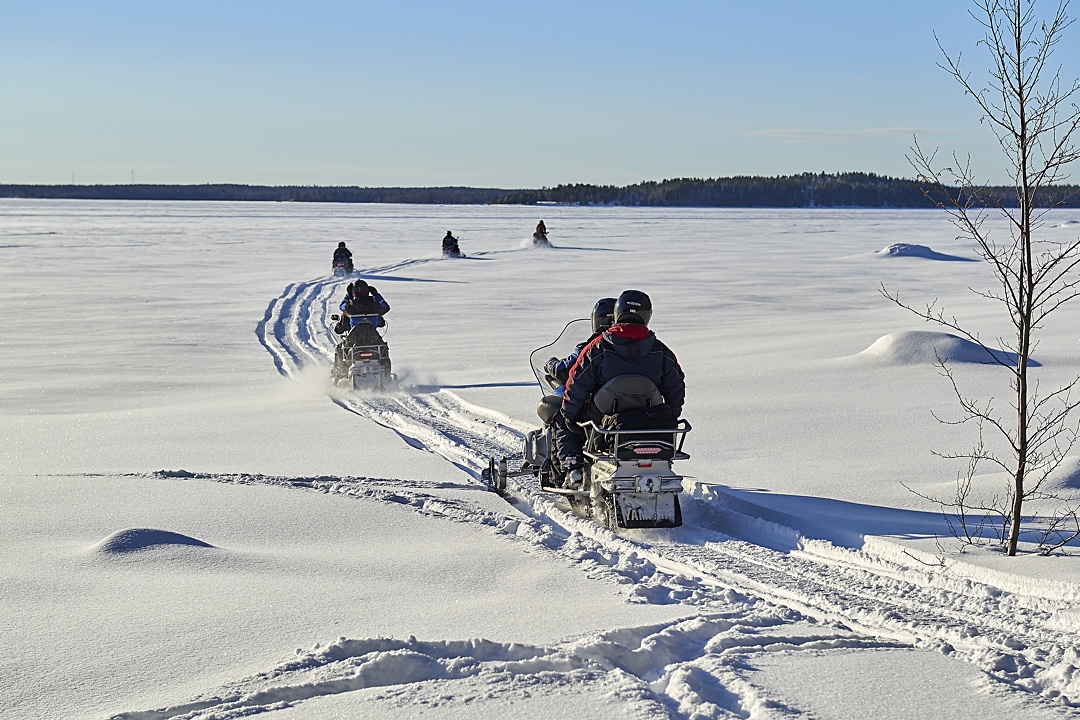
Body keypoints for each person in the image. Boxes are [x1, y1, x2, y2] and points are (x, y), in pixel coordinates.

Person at [555, 290, 685, 488]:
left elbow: (577, 384)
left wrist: (569, 416)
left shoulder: (598, 348)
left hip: (603, 417)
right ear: (646, 316)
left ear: (618, 314)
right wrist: (669, 417)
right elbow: (676, 387)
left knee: (562, 418)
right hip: (648, 417)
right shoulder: (661, 351)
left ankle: (573, 468)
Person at [541, 297, 616, 486]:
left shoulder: (591, 347)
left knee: (565, 417)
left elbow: (566, 370)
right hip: (626, 409)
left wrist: (550, 364)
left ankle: (570, 468)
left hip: (597, 408)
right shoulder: (639, 347)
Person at [333, 279, 391, 376]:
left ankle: (342, 373)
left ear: (354, 292)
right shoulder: (375, 304)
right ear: (368, 291)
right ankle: (387, 375)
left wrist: (348, 295)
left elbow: (342, 307)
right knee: (384, 350)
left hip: (354, 339)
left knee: (340, 349)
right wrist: (376, 295)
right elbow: (386, 307)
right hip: (373, 339)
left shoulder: (350, 305)